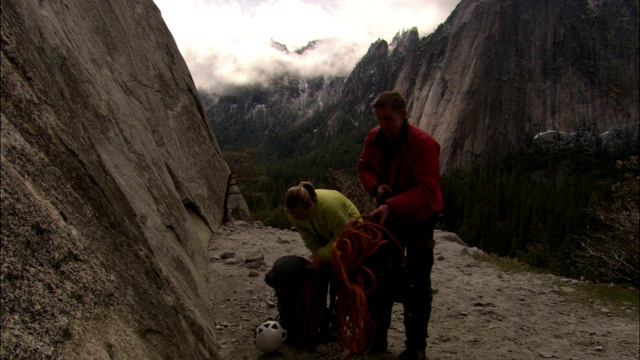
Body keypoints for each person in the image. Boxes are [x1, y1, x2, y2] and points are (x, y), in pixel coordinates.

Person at [357, 91, 443, 360]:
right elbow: (364, 167)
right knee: (380, 276)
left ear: (403, 114)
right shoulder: (374, 138)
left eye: (388, 118)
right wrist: (375, 185)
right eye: (379, 118)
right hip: (389, 215)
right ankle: (377, 337)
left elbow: (426, 190)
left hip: (419, 218)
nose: (383, 124)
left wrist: (390, 205)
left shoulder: (423, 143)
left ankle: (416, 347)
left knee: (417, 282)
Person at [284, 181, 360, 334]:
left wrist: (322, 255)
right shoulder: (294, 214)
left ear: (309, 206)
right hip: (327, 236)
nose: (296, 219)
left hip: (352, 234)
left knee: (342, 278)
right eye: (293, 215)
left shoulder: (328, 206)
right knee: (321, 273)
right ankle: (320, 318)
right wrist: (319, 254)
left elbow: (344, 233)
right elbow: (308, 237)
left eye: (299, 215)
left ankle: (340, 316)